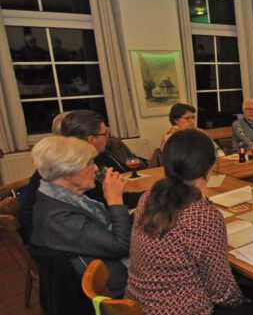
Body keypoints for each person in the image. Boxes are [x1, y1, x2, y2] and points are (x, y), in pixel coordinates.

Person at [126, 129, 253, 315]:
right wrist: (244, 305)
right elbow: (223, 292)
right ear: (209, 168)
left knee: (250, 296)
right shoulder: (202, 216)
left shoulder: (148, 198)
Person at [17, 110, 141, 242]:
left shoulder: (72, 164)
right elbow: (119, 243)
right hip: (54, 241)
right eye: (105, 133)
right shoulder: (75, 172)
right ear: (91, 139)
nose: (95, 168)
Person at [29, 136, 130, 296]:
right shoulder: (59, 217)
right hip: (116, 288)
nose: (96, 168)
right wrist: (115, 200)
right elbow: (120, 246)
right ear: (66, 171)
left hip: (110, 270)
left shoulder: (66, 197)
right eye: (89, 163)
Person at [160, 103, 225, 156]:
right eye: (187, 118)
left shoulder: (199, 132)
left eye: (193, 118)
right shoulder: (171, 136)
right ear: (176, 120)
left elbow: (216, 149)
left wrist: (222, 158)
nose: (192, 121)